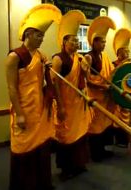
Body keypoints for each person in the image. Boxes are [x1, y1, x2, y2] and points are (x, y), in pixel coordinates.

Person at [5, 4, 61, 190]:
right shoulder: (15, 57)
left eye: (43, 36)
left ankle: (41, 183)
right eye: (39, 36)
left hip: (39, 109)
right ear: (28, 34)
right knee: (23, 148)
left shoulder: (40, 55)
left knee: (41, 148)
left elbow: (44, 82)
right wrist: (19, 114)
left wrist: (48, 70)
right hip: (24, 109)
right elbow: (12, 88)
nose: (41, 40)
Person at [51, 10, 91, 180]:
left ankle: (78, 164)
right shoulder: (58, 59)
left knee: (80, 134)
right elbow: (54, 84)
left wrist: (85, 70)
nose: (76, 42)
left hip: (78, 103)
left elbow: (86, 79)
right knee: (66, 137)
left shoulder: (79, 59)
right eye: (73, 40)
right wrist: (60, 106)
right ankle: (66, 169)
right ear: (64, 41)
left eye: (77, 40)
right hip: (65, 103)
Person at [84, 16, 116, 162]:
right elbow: (88, 81)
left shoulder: (104, 56)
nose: (104, 44)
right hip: (94, 98)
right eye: (101, 41)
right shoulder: (88, 58)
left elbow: (109, 74)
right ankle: (94, 153)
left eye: (105, 41)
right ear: (94, 42)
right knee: (95, 126)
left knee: (103, 125)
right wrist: (104, 86)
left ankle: (102, 149)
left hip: (105, 97)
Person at [112, 28, 131, 145]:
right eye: (124, 51)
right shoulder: (114, 64)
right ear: (118, 53)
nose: (127, 53)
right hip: (119, 95)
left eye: (128, 51)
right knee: (119, 119)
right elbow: (111, 78)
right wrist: (122, 65)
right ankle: (121, 140)